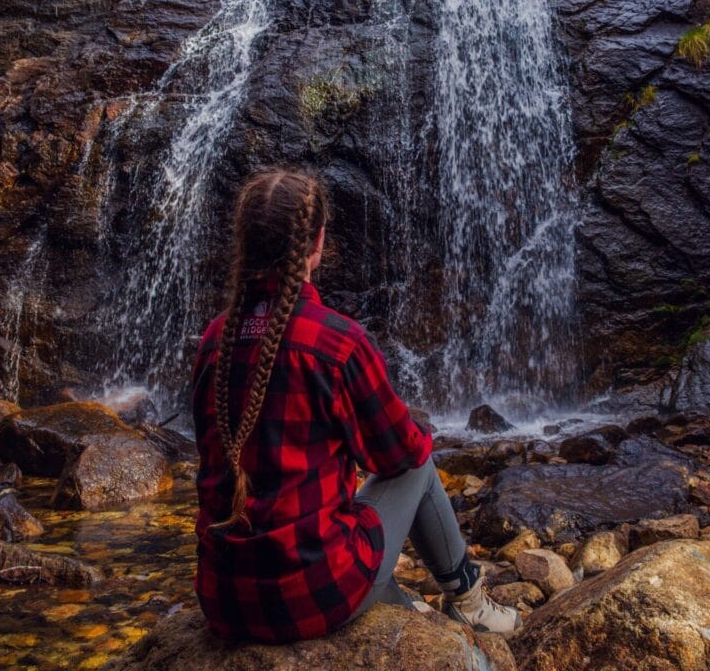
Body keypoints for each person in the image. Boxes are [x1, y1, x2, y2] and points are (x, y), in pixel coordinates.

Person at [191, 168, 520, 644]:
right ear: (318, 243)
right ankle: (469, 602)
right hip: (310, 594)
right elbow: (400, 454)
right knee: (419, 461)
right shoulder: (338, 342)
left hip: (223, 598)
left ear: (244, 245)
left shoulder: (213, 340)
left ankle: (418, 615)